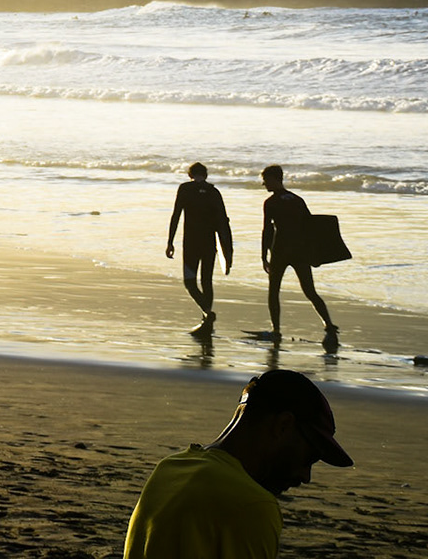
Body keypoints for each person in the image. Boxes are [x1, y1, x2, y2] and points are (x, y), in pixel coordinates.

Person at [122, 368, 352, 558]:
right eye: (308, 458)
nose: (306, 476)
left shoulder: (169, 469)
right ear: (282, 426)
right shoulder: (252, 506)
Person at [259, 165, 335, 340]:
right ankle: (329, 326)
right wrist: (315, 253)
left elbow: (267, 230)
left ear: (274, 179)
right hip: (300, 251)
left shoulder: (270, 202)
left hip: (280, 251)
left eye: (265, 180)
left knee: (273, 292)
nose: (264, 184)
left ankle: (276, 331)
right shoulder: (297, 199)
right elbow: (311, 226)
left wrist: (263, 256)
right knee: (310, 291)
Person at [165, 162, 233, 333]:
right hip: (209, 244)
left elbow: (176, 215)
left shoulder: (185, 189)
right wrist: (228, 251)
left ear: (190, 174)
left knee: (190, 282)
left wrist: (170, 241)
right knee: (206, 281)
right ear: (206, 175)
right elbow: (223, 223)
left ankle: (207, 314)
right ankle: (206, 322)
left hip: (191, 244)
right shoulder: (213, 192)